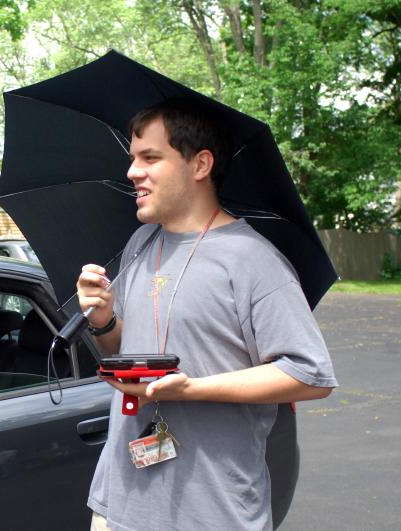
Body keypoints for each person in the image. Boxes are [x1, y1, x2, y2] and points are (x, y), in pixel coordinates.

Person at [77, 99, 338, 530]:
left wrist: (191, 389)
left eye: (150, 158)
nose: (133, 172)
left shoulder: (252, 259)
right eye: (133, 158)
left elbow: (310, 375)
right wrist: (103, 319)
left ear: (200, 164)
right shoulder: (140, 244)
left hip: (211, 514)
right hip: (117, 506)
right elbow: (123, 350)